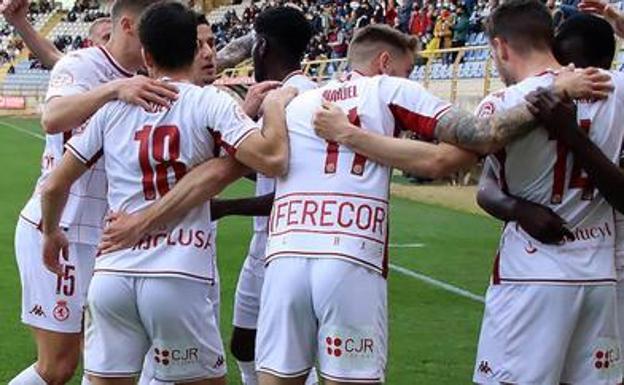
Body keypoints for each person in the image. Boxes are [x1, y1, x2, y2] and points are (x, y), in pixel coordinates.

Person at [38, 2, 296, 384]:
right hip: (178, 272)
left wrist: (51, 232)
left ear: (146, 54)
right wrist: (274, 106)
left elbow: (55, 183)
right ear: (195, 50)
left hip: (112, 276)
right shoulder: (209, 101)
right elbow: (272, 159)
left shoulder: (113, 110)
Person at [9, 0, 180, 384]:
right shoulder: (82, 65)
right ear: (129, 26)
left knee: (111, 358)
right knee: (58, 365)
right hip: (59, 228)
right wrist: (116, 89)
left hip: (107, 237)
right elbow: (52, 118)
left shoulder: (145, 76)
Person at [470, 2, 624, 384]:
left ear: (501, 47)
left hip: (530, 272)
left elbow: (455, 156)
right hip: (598, 274)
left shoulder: (503, 104)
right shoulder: (618, 90)